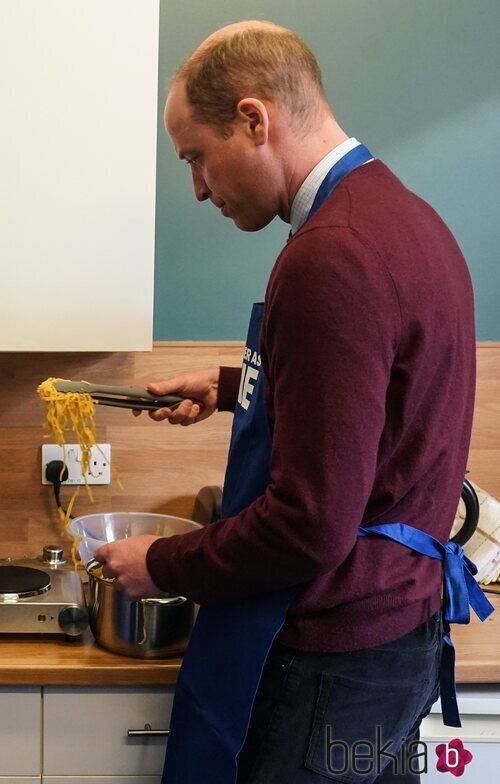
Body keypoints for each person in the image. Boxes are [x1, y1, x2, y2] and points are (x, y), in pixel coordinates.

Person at [94, 21, 492, 784]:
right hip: (394, 636)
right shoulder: (406, 218)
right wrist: (229, 390)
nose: (199, 188)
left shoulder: (329, 257)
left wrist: (163, 563)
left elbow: (309, 526)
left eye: (196, 158)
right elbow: (379, 393)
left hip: (331, 669)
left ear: (253, 119)